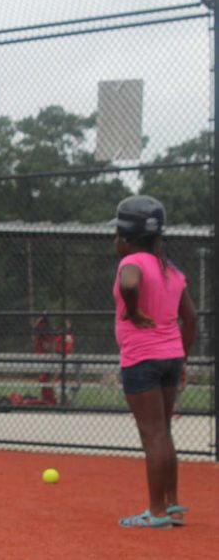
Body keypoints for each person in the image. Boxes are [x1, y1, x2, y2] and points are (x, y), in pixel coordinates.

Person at [111, 195, 196, 529]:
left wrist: (132, 311)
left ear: (128, 238)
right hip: (171, 356)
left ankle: (156, 512)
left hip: (141, 357)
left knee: (153, 435)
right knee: (165, 432)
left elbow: (129, 283)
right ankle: (172, 504)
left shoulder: (132, 262)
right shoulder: (171, 269)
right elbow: (190, 319)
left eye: (117, 235)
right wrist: (183, 357)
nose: (115, 241)